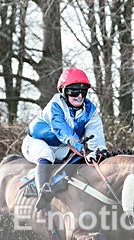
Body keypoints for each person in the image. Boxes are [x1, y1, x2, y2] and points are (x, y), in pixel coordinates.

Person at [22, 67, 108, 210]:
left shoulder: (90, 110)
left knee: (81, 158)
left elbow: (96, 133)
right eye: (73, 91)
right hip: (36, 143)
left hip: (63, 147)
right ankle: (43, 190)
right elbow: (64, 132)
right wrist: (83, 149)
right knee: (46, 153)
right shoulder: (55, 106)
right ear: (63, 91)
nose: (79, 95)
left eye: (83, 91)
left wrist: (99, 151)